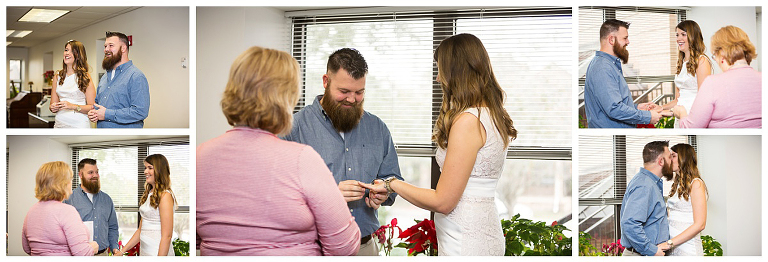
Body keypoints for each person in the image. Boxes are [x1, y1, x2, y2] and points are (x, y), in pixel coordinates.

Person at [197, 46, 360, 255]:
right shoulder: (302, 159)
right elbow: (344, 248)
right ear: (287, 97)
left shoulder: (199, 156)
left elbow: (198, 236)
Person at [361, 33, 512, 255]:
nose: (438, 78)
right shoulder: (492, 114)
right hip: (480, 230)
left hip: (465, 238)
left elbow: (443, 201)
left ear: (455, 71)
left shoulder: (469, 121)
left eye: (441, 70)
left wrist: (392, 183)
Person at [283, 48, 403, 256]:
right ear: (325, 81)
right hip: (312, 249)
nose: (351, 99)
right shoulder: (294, 128)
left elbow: (392, 179)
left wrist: (383, 192)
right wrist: (329, 196)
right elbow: (279, 195)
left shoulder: (378, 128)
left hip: (366, 247)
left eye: (359, 92)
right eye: (344, 92)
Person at [674, 25, 761, 128]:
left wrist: (681, 113)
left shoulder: (712, 83)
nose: (716, 59)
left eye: (715, 55)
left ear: (721, 53)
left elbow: (690, 128)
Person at [583, 19, 664, 128]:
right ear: (611, 39)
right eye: (625, 38)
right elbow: (614, 109)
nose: (628, 42)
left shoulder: (609, 65)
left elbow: (612, 105)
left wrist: (637, 108)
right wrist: (647, 116)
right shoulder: (603, 67)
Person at [22, 161, 98, 256]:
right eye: (70, 179)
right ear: (62, 183)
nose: (71, 182)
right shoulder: (67, 211)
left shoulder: (31, 211)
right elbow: (82, 254)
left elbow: (27, 248)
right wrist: (92, 247)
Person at [619, 141, 674, 256]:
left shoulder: (649, 182)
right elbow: (630, 223)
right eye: (669, 157)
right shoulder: (644, 185)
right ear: (661, 161)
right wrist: (652, 250)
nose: (672, 161)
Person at [87, 31, 150, 128]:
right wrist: (94, 113)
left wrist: (107, 114)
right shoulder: (104, 77)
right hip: (102, 138)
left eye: (111, 45)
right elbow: (98, 104)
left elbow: (140, 111)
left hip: (124, 140)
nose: (106, 49)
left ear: (123, 48)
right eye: (105, 46)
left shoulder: (136, 76)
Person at [118, 154, 176, 256]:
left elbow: (167, 236)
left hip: (157, 251)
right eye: (145, 168)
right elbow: (140, 230)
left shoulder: (165, 196)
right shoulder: (149, 194)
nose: (145, 171)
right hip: (145, 251)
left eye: (150, 168)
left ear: (160, 170)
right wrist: (122, 251)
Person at [659, 20, 713, 127]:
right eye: (677, 35)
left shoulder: (702, 61)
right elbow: (677, 100)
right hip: (680, 116)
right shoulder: (681, 63)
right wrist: (661, 108)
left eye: (683, 34)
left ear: (693, 36)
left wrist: (676, 113)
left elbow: (704, 98)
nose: (679, 39)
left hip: (695, 117)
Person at [63, 158, 120, 256]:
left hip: (103, 254)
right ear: (80, 175)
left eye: (96, 172)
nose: (95, 175)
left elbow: (112, 227)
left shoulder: (107, 199)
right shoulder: (69, 199)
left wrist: (114, 247)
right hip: (79, 255)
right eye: (90, 172)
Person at [666, 143, 708, 256]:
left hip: (688, 250)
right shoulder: (677, 185)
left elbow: (700, 224)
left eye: (673, 156)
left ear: (683, 158)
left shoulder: (696, 183)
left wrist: (669, 243)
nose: (670, 159)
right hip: (673, 249)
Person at [50, 40, 96, 128]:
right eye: (66, 50)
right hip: (60, 123)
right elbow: (52, 104)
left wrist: (72, 106)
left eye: (72, 51)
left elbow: (92, 107)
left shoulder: (85, 77)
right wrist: (53, 107)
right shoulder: (57, 77)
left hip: (79, 124)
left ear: (78, 55)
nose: (67, 53)